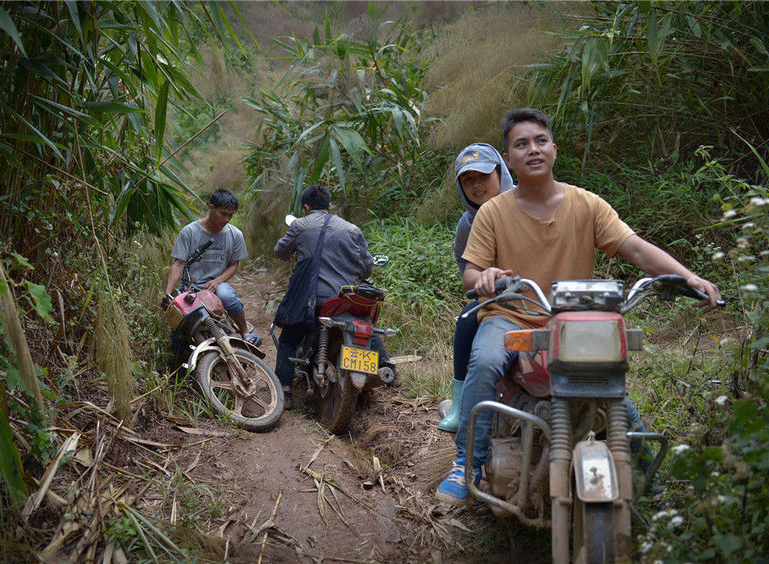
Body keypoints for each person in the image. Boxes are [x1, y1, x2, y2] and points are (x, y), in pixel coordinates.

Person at [436, 108, 721, 504]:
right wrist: (484, 278)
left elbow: (634, 247)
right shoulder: (491, 213)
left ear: (553, 149)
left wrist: (686, 275)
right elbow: (470, 275)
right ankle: (466, 460)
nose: (532, 149)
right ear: (509, 159)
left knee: (612, 394)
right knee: (483, 364)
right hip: (510, 315)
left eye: (539, 141)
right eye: (521, 144)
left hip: (569, 322)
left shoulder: (587, 204)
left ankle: (651, 486)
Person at [273, 184, 389, 409]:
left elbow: (281, 252)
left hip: (309, 299)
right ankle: (385, 365)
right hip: (343, 300)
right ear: (329, 206)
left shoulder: (299, 225)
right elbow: (366, 267)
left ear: (306, 207)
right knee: (366, 327)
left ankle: (285, 393)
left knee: (288, 339)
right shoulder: (351, 229)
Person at [438, 143, 514, 432]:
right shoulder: (466, 225)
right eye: (468, 180)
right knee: (467, 317)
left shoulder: (525, 205)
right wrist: (483, 281)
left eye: (483, 176)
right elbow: (465, 269)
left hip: (538, 295)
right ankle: (460, 405)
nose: (476, 185)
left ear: (500, 172)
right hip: (494, 301)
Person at [163, 189, 261, 358]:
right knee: (178, 325)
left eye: (231, 215)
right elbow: (178, 264)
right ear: (211, 207)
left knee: (228, 296)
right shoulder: (190, 232)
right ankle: (180, 363)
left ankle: (245, 332)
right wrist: (167, 293)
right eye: (223, 214)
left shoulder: (235, 234)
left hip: (217, 285)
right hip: (191, 287)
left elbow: (233, 265)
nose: (227, 219)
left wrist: (217, 281)